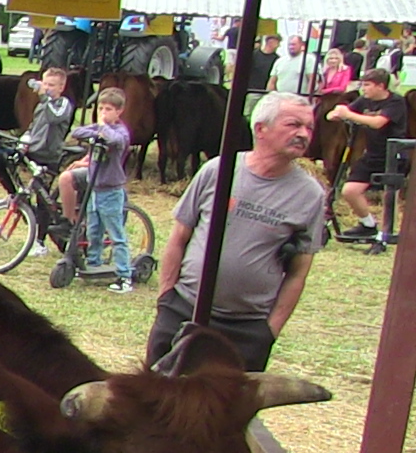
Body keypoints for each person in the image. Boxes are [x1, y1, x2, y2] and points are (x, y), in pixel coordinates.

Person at [145, 92, 324, 372]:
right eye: (293, 125)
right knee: (157, 392)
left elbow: (298, 273)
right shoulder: (219, 170)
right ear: (260, 129)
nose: (303, 134)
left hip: (246, 328)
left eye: (309, 127)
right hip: (185, 309)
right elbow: (179, 238)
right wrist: (167, 299)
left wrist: (268, 332)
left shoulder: (309, 194)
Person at [330, 68, 410, 240]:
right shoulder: (364, 100)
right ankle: (368, 225)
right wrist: (337, 112)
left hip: (392, 154)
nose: (363, 89)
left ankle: (387, 234)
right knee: (350, 190)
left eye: (367, 85)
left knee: (389, 196)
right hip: (372, 154)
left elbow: (378, 123)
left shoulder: (396, 102)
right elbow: (338, 113)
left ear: (380, 86)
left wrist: (349, 115)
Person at [70, 88, 136, 292]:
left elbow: (115, 140)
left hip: (111, 190)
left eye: (108, 109)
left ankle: (125, 276)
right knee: (94, 230)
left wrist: (102, 127)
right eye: (100, 108)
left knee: (116, 234)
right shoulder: (99, 128)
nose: (103, 113)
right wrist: (96, 130)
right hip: (94, 189)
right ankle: (94, 263)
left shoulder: (121, 133)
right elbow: (77, 132)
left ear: (119, 111)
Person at [20, 67, 75, 171]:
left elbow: (53, 118)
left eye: (51, 85)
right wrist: (25, 140)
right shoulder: (42, 105)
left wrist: (44, 98)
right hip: (32, 151)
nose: (46, 88)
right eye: (44, 84)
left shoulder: (63, 103)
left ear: (61, 88)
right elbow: (33, 126)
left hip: (48, 156)